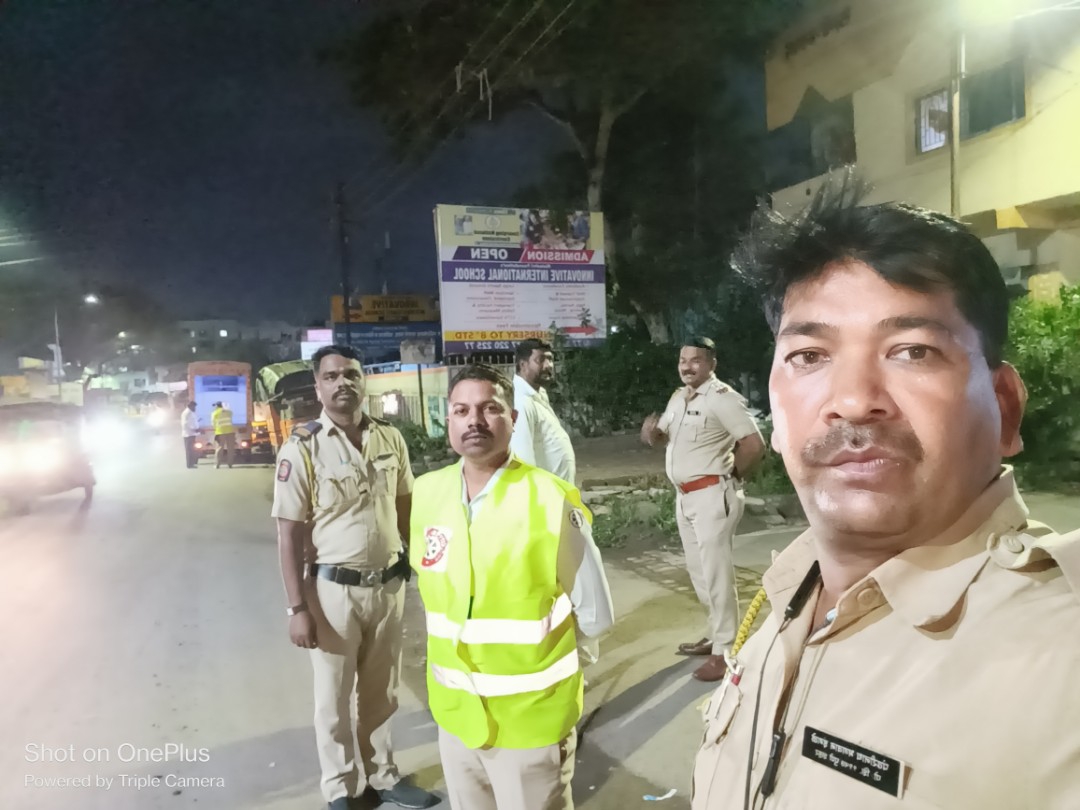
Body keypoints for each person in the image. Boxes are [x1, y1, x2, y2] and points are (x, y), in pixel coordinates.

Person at [691, 181, 1080, 809]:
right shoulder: (790, 595)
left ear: (1004, 409)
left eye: (912, 351)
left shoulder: (1059, 658)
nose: (851, 400)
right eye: (809, 355)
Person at [410, 363, 614, 810]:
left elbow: (596, 615)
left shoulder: (549, 499)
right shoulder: (427, 493)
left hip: (530, 726)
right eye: (461, 410)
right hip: (456, 719)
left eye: (489, 409)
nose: (474, 421)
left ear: (514, 419)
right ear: (448, 420)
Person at [272, 345, 437, 810]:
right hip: (332, 592)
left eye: (351, 374)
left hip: (389, 587)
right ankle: (340, 789)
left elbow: (405, 509)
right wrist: (297, 608)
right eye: (331, 376)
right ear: (318, 387)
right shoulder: (302, 447)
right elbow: (288, 535)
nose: (342, 383)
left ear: (363, 381)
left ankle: (384, 777)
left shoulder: (390, 437)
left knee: (382, 692)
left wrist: (424, 570)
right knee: (333, 698)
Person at [641, 337, 765, 682]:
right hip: (685, 497)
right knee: (699, 573)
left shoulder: (722, 398)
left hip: (712, 495)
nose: (687, 366)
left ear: (711, 364)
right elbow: (664, 436)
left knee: (716, 575)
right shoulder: (678, 398)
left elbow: (753, 444)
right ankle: (716, 634)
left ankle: (726, 651)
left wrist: (732, 477)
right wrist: (651, 435)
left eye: (695, 360)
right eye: (683, 360)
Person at [510, 339, 576, 483]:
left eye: (550, 359)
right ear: (523, 365)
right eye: (540, 360)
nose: (548, 365)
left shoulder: (537, 394)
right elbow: (522, 459)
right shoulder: (521, 401)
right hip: (543, 493)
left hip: (557, 490)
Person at [210, 401, 236, 468]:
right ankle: (230, 464)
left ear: (217, 406)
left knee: (220, 448)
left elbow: (213, 423)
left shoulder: (215, 413)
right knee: (230, 448)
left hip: (220, 432)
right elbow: (231, 415)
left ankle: (217, 464)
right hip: (230, 431)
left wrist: (215, 429)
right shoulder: (229, 412)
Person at [181, 401, 199, 469]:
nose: (195, 408)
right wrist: (194, 429)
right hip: (188, 434)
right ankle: (189, 464)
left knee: (192, 450)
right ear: (190, 406)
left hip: (191, 433)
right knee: (189, 450)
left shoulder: (191, 412)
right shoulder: (187, 413)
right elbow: (186, 424)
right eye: (194, 407)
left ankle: (192, 463)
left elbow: (193, 422)